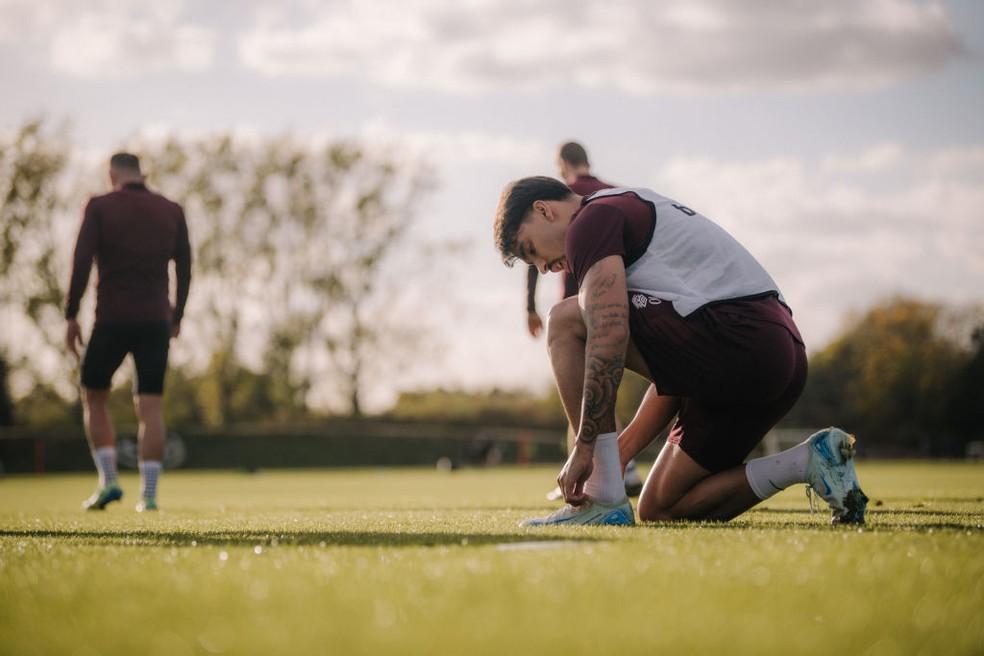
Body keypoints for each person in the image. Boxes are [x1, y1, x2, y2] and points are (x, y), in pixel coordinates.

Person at [493, 176, 867, 526]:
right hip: (774, 357)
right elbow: (673, 372)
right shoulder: (623, 210)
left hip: (742, 340)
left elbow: (609, 332)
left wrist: (586, 447)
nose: (543, 268)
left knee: (564, 319)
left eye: (531, 251)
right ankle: (808, 461)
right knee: (661, 507)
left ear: (544, 210)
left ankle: (602, 499)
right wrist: (618, 454)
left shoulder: (591, 219)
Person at [65, 153, 192, 512]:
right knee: (151, 406)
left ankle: (108, 482)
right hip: (156, 320)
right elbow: (185, 267)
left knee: (94, 396)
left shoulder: (100, 206)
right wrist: (177, 315)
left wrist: (71, 313)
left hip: (112, 318)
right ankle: (148, 496)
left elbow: (81, 259)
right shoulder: (171, 209)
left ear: (112, 174)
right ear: (142, 173)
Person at [525, 142, 644, 500]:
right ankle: (616, 467)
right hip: (630, 297)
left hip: (582, 302)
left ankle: (609, 470)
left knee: (580, 389)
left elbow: (537, 254)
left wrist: (530, 307)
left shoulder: (565, 198)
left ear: (562, 165)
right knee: (597, 386)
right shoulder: (611, 190)